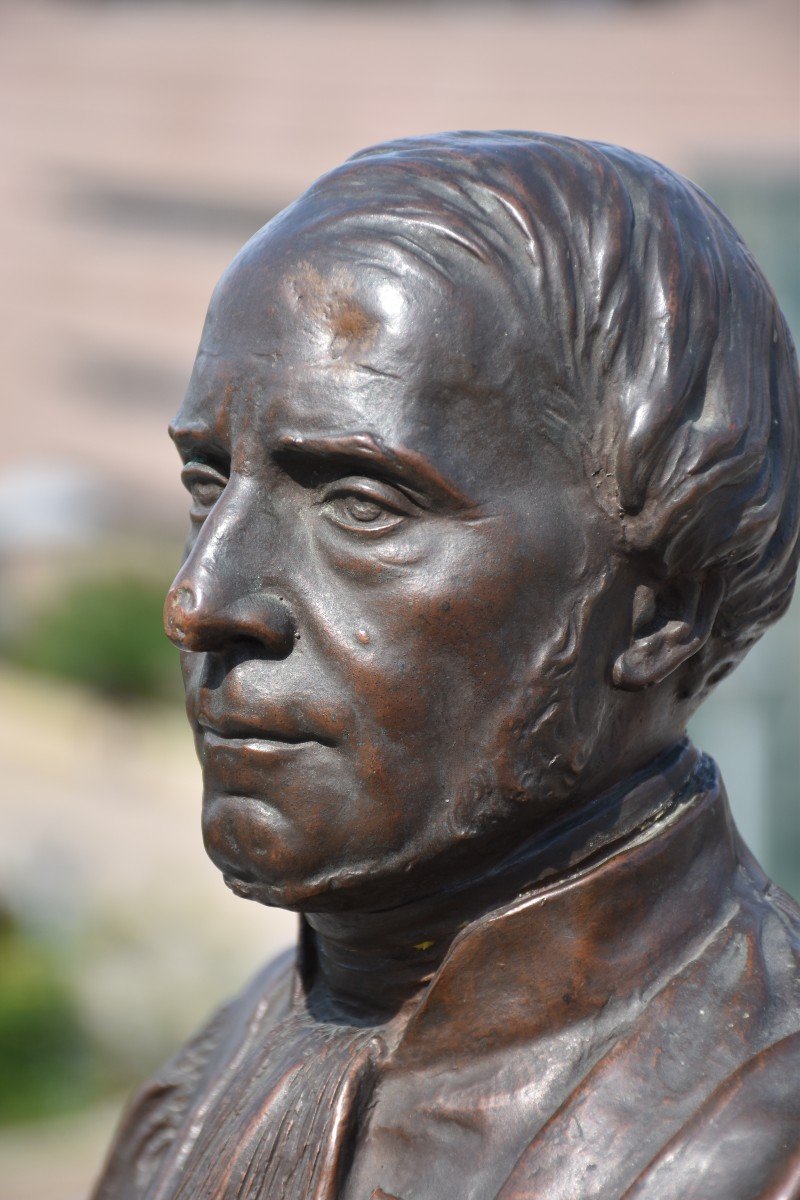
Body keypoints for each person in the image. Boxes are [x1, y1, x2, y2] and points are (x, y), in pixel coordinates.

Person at [93, 132, 800, 1200]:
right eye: (207, 485)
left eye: (360, 506)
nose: (198, 602)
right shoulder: (210, 1078)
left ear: (661, 601)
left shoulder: (760, 1145)